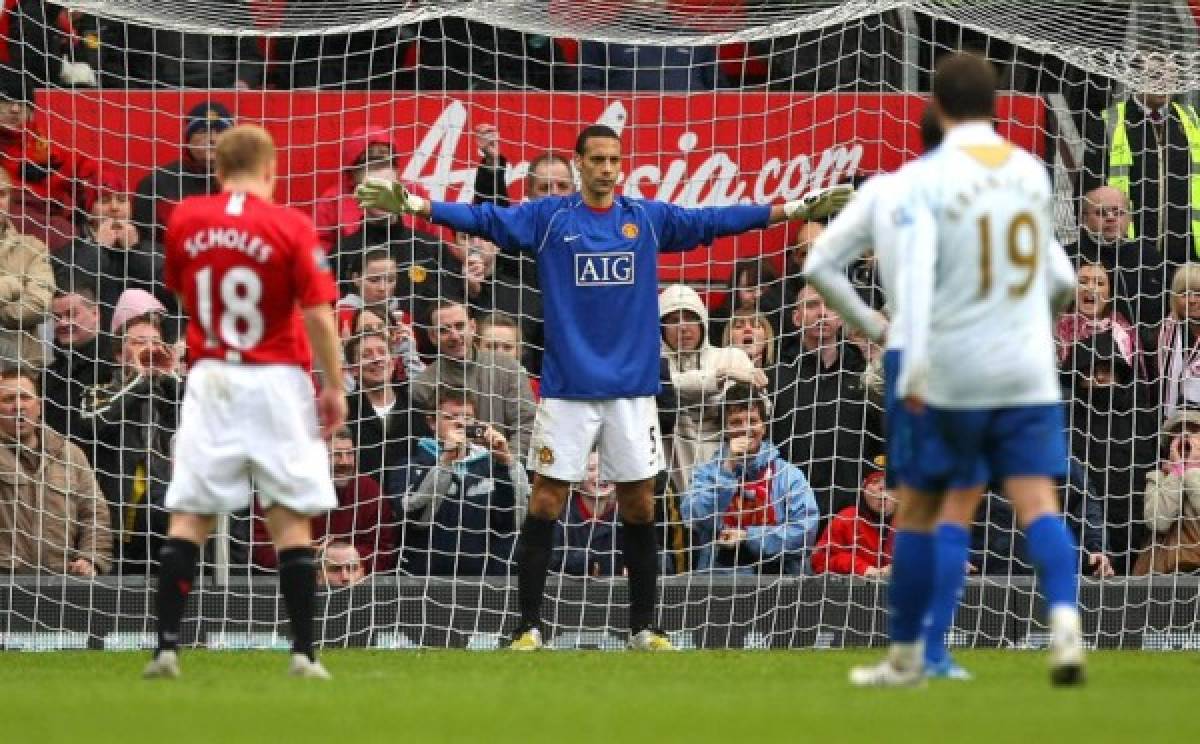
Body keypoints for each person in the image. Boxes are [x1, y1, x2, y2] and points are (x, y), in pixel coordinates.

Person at [356, 122, 851, 650]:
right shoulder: (549, 219)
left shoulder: (645, 218)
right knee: (546, 500)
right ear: (579, 164)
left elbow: (714, 220)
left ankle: (644, 626)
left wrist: (792, 209)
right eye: (596, 159)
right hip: (568, 389)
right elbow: (485, 217)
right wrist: (414, 203)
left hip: (632, 392)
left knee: (639, 503)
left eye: (614, 159)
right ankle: (527, 626)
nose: (607, 168)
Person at [849, 54, 1084, 687]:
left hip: (957, 369)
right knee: (1040, 503)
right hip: (1029, 367)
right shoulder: (1029, 174)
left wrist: (915, 369)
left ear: (938, 104)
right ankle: (1065, 627)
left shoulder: (929, 179)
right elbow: (1061, 278)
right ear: (995, 103)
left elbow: (918, 288)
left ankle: (912, 654)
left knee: (940, 507)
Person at [143, 125, 345, 681]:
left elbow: (182, 291)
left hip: (210, 376)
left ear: (218, 167)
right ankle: (304, 654)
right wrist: (333, 383)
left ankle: (166, 649)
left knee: (191, 513)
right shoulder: (289, 224)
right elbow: (318, 312)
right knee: (288, 515)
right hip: (276, 376)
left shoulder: (184, 218)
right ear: (271, 168)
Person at [680, 383, 819, 575]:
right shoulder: (706, 473)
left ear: (764, 427)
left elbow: (805, 532)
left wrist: (748, 537)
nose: (746, 429)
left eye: (752, 420)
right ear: (725, 429)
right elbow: (696, 517)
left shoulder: (788, 475)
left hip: (778, 581)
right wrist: (728, 468)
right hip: (718, 580)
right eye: (736, 422)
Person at [0, 361, 112, 576]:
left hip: (61, 584)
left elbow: (94, 514)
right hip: (5, 582)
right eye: (7, 400)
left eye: (25, 397)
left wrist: (91, 559)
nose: (18, 406)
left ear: (39, 405)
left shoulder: (70, 454)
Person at [811, 456, 896, 577]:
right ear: (863, 487)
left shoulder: (914, 522)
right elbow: (818, 560)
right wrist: (860, 567)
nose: (882, 488)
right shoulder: (846, 519)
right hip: (855, 593)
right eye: (875, 481)